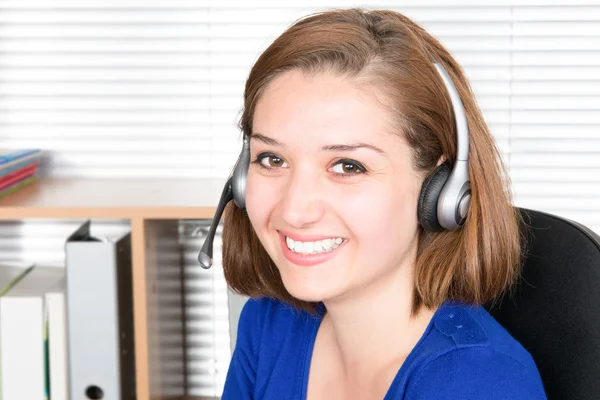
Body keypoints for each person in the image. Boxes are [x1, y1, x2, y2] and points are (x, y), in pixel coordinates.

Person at [217, 7, 547, 400]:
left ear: (440, 191)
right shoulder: (269, 323)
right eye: (272, 159)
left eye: (347, 166)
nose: (293, 210)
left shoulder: (477, 383)